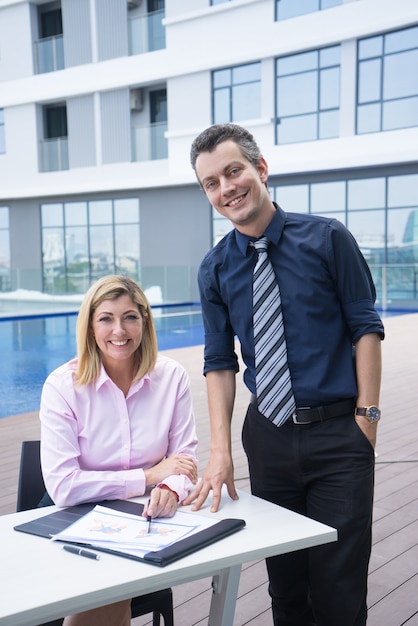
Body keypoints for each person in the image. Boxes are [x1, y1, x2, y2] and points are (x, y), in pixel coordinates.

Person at [184, 123, 384, 626]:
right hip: (268, 439)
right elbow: (218, 363)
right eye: (212, 182)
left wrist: (367, 419)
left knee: (339, 591)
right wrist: (221, 450)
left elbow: (365, 329)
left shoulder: (328, 238)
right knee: (287, 588)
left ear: (260, 169)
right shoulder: (215, 269)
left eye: (234, 171)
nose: (226, 187)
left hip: (340, 435)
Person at [40, 275, 198, 626]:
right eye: (106, 318)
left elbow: (185, 460)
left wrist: (170, 488)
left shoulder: (171, 378)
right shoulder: (62, 386)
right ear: (90, 326)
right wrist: (150, 476)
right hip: (72, 517)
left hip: (144, 520)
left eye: (129, 317)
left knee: (117, 577)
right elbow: (64, 487)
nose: (119, 330)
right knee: (115, 578)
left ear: (144, 321)